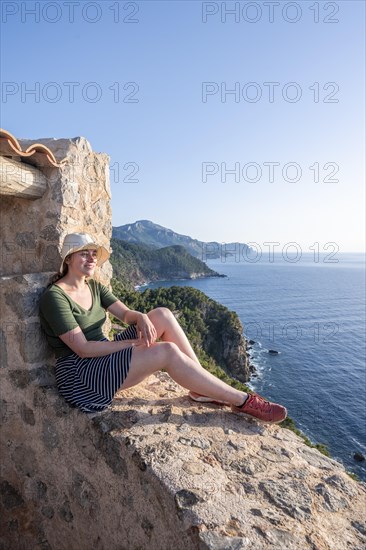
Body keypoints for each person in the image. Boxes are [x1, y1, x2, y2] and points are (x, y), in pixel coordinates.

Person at [39, 232, 287, 422]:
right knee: (166, 351)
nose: (91, 258)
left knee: (162, 314)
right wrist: (131, 343)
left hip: (103, 355)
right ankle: (242, 400)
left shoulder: (93, 286)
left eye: (94, 253)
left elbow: (125, 313)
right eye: (84, 253)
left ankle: (200, 388)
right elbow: (82, 349)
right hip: (80, 375)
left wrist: (140, 317)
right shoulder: (56, 297)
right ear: (69, 259)